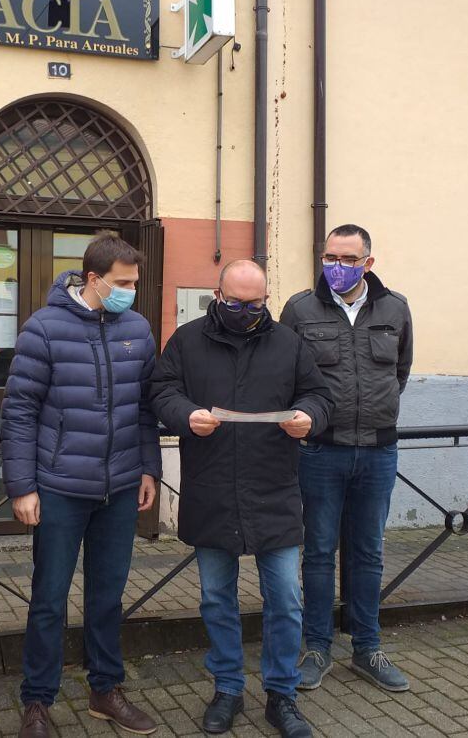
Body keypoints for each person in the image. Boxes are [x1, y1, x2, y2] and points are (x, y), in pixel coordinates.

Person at [150, 259, 333, 738]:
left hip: (274, 489)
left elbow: (319, 395)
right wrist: (185, 414)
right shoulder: (187, 340)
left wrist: (309, 417)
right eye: (235, 302)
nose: (245, 311)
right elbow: (161, 391)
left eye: (255, 304)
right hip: (211, 489)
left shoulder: (289, 343)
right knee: (216, 599)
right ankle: (228, 688)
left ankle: (282, 694)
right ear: (217, 293)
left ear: (266, 300)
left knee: (285, 601)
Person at [1, 233, 161, 738]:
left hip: (118, 487)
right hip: (60, 488)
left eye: (135, 282)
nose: (132, 291)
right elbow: (20, 412)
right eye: (123, 283)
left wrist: (148, 467)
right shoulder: (43, 328)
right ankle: (37, 701)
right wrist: (22, 486)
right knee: (49, 597)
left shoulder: (137, 326)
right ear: (93, 279)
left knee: (107, 596)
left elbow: (145, 409)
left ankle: (105, 690)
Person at [280, 224, 413, 693]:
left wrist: (374, 414)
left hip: (378, 451)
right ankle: (316, 648)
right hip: (321, 451)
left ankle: (367, 648)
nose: (337, 266)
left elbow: (400, 370)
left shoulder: (395, 308)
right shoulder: (299, 308)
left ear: (368, 264)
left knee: (368, 553)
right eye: (329, 257)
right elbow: (287, 373)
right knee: (317, 552)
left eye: (348, 259)